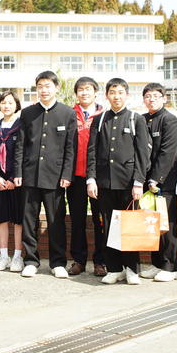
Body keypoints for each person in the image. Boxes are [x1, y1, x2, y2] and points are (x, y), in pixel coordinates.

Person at [86, 78, 151, 285]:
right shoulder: (99, 120)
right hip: (104, 183)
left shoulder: (135, 119)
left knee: (130, 226)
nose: (116, 96)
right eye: (113, 92)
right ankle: (114, 268)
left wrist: (139, 182)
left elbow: (142, 154)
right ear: (107, 95)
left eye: (120, 92)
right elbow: (91, 152)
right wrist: (91, 179)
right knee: (109, 227)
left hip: (128, 184)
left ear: (127, 95)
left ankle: (131, 269)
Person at [13, 71, 77, 279]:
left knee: (56, 221)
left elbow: (70, 148)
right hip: (30, 175)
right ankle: (31, 261)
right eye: (40, 86)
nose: (43, 90)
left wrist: (67, 174)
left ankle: (58, 262)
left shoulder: (67, 113)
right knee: (28, 221)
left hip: (55, 177)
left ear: (56, 87)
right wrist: (18, 172)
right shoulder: (28, 113)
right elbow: (20, 145)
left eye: (47, 86)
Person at [139, 83, 177, 283]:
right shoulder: (142, 119)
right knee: (153, 224)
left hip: (164, 182)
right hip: (147, 181)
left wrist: (156, 178)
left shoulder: (169, 120)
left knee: (167, 225)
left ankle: (171, 267)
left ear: (164, 98)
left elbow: (168, 152)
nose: (151, 100)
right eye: (148, 96)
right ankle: (157, 264)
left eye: (156, 96)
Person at [66, 77, 106, 277]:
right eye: (80, 89)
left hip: (98, 177)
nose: (84, 93)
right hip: (75, 176)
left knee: (101, 221)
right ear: (76, 94)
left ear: (95, 92)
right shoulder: (69, 114)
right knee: (77, 220)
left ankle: (101, 261)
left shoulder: (105, 115)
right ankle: (79, 260)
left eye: (88, 89)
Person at [0, 91, 23, 272]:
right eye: (3, 102)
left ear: (16, 105)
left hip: (17, 180)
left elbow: (23, 153)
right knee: (1, 218)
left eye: (10, 102)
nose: (6, 106)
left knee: (18, 219)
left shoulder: (22, 126)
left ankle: (17, 256)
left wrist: (14, 177)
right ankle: (3, 255)